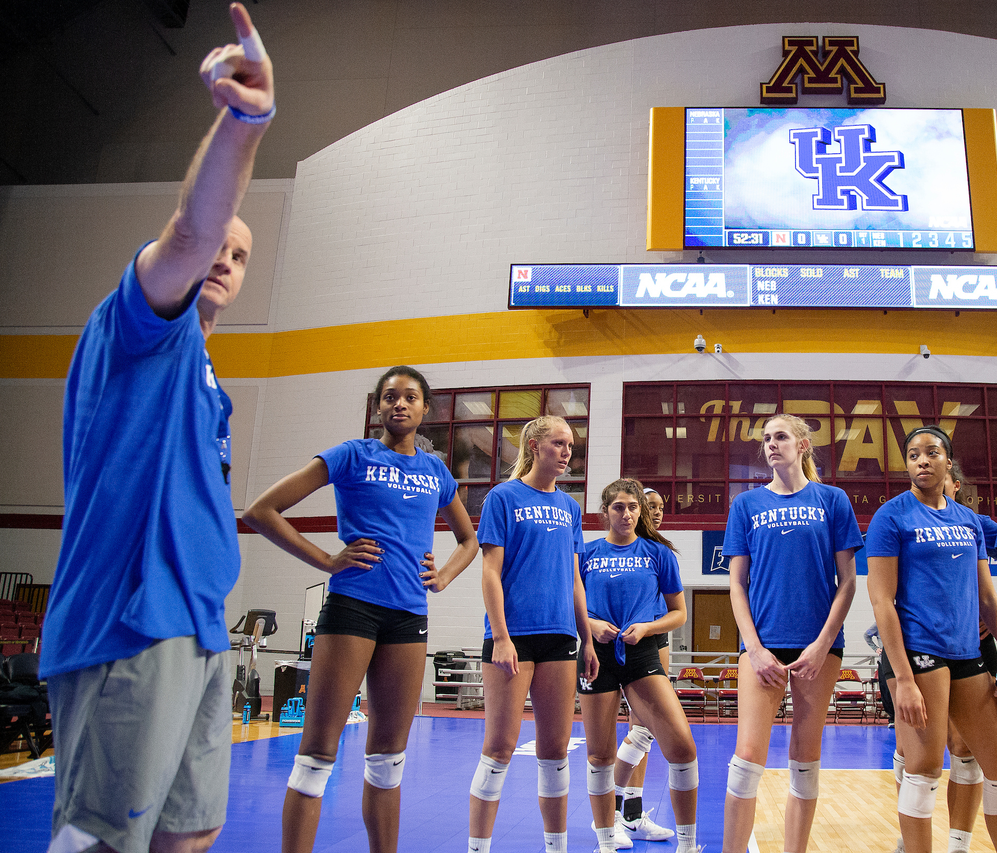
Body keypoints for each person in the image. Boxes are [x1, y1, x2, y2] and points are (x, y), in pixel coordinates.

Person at [38, 7, 273, 853]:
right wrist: (244, 122)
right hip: (130, 620)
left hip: (202, 623)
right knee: (103, 842)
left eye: (242, 256)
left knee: (190, 836)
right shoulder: (141, 321)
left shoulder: (209, 380)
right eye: (221, 245)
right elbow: (189, 229)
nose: (224, 258)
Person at [242, 366, 478, 853]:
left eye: (410, 397)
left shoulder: (435, 470)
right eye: (389, 396)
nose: (400, 404)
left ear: (425, 409)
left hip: (409, 617)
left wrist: (445, 574)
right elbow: (260, 511)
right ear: (378, 408)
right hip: (353, 609)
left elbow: (468, 539)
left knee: (389, 759)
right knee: (317, 755)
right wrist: (328, 559)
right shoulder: (352, 455)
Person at [866, 426, 997, 853]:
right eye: (914, 454)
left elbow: (989, 598)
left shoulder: (968, 520)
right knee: (924, 769)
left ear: (948, 463)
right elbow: (882, 602)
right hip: (918, 654)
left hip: (968, 655)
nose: (922, 460)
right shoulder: (891, 517)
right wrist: (902, 678)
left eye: (932, 452)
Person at [720, 414, 862, 853]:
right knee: (746, 760)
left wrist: (823, 645)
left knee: (805, 760)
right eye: (766, 439)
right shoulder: (746, 505)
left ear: (802, 445)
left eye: (780, 436)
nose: (771, 444)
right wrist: (754, 648)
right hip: (762, 645)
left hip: (819, 648)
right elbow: (736, 585)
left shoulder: (833, 500)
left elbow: (849, 582)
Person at [467, 416, 600, 853]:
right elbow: (490, 571)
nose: (566, 452)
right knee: (501, 746)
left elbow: (575, 578)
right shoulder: (502, 498)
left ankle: (555, 846)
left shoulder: (569, 508)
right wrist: (501, 636)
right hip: (513, 637)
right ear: (535, 445)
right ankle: (478, 847)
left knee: (555, 749)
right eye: (559, 444)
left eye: (570, 446)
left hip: (559, 638)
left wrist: (587, 638)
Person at [885, 461, 997, 853]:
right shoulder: (901, 519)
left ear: (954, 483)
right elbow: (883, 595)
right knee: (916, 752)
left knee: (966, 749)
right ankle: (912, 833)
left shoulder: (975, 523)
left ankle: (959, 843)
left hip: (972, 643)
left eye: (951, 485)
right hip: (918, 645)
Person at [579, 479, 698, 853]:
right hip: (595, 657)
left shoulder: (658, 553)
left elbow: (679, 613)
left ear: (640, 511)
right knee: (599, 754)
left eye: (633, 507)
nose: (626, 513)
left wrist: (648, 626)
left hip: (642, 654)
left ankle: (687, 843)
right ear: (605, 512)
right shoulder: (586, 553)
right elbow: (568, 604)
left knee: (681, 746)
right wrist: (592, 626)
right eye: (618, 507)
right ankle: (606, 838)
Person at [606, 488, 678, 846]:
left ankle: (631, 814)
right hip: (613, 644)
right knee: (629, 731)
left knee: (644, 729)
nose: (657, 512)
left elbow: (677, 608)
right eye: (651, 507)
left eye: (660, 507)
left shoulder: (660, 553)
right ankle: (611, 812)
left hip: (651, 638)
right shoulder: (610, 550)